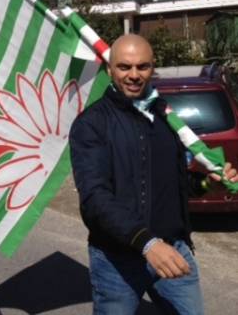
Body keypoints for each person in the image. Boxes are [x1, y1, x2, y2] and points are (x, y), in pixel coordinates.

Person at [69, 34, 238, 314]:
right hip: (117, 259)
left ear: (152, 68)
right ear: (110, 70)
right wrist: (147, 243)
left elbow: (175, 183)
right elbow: (95, 199)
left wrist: (208, 182)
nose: (134, 75)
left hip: (173, 251)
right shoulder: (92, 124)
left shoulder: (164, 116)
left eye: (142, 67)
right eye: (124, 67)